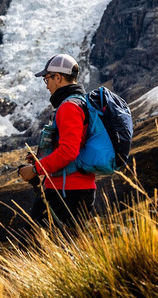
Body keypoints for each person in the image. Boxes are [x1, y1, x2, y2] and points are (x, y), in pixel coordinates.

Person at [16, 53, 97, 229]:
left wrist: (35, 170)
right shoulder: (81, 103)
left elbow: (69, 151)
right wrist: (42, 159)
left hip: (66, 191)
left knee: (38, 248)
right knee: (66, 246)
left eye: (47, 80)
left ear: (58, 77)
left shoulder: (69, 107)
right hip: (76, 188)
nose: (47, 87)